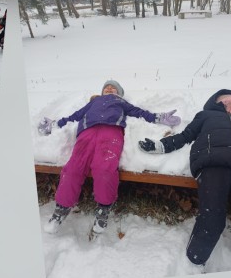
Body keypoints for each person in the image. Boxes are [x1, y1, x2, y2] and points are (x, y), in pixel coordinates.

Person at [139, 89, 231, 268]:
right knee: (212, 217)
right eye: (228, 99)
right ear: (216, 103)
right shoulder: (206, 116)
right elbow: (185, 136)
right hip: (213, 163)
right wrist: (160, 145)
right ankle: (195, 259)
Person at [46, 80, 181, 237]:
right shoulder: (94, 102)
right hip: (87, 133)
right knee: (73, 168)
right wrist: (54, 124)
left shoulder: (120, 102)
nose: (109, 88)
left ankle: (103, 209)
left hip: (111, 133)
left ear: (119, 93)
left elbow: (139, 112)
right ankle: (61, 209)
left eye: (113, 88)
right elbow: (76, 115)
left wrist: (159, 117)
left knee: (105, 168)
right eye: (106, 87)